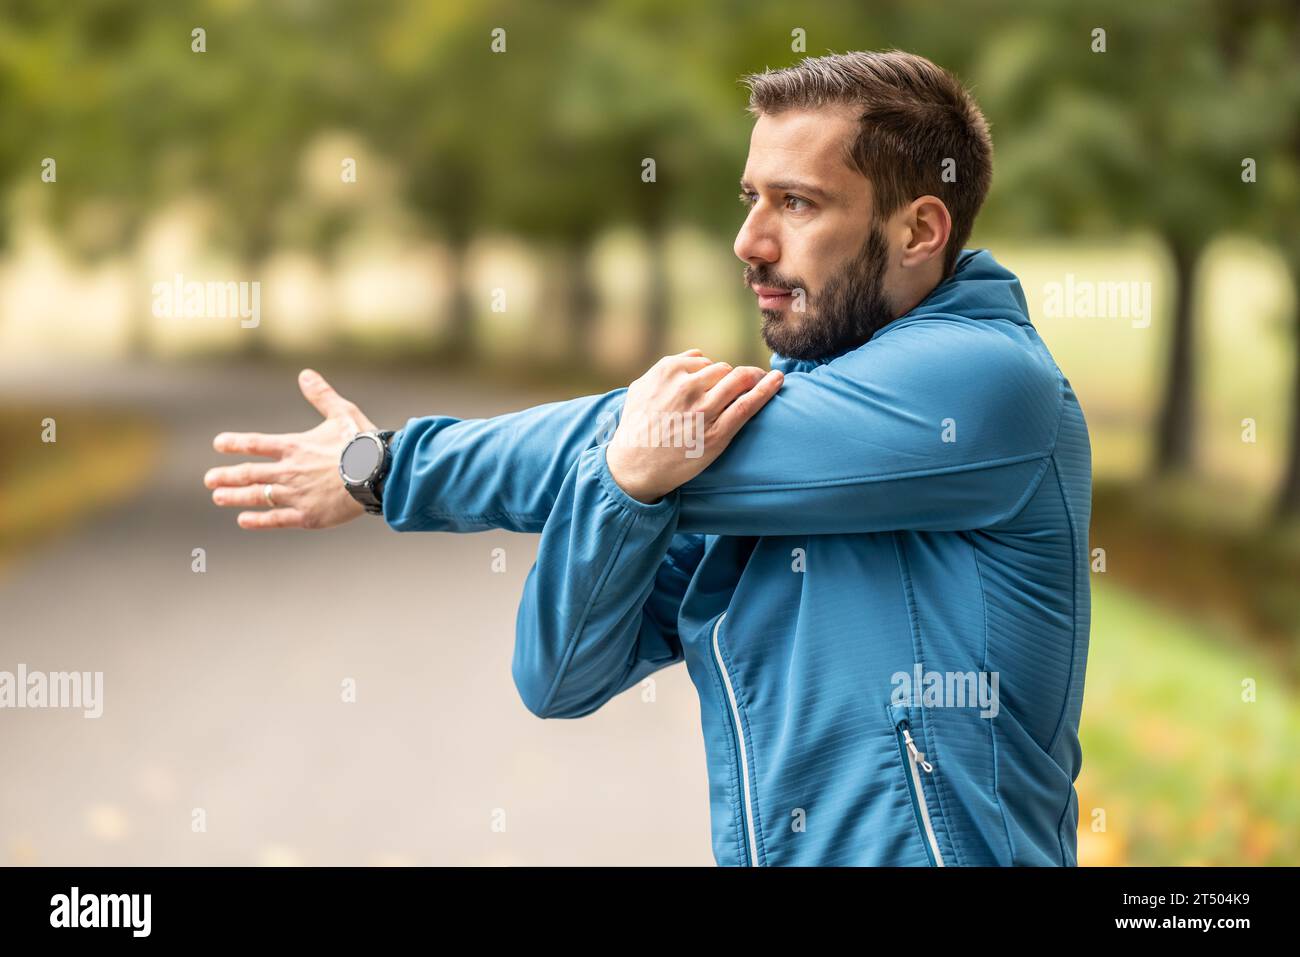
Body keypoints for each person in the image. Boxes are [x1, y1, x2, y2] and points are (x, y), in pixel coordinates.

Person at [205, 50, 1092, 866]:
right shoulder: (738, 458)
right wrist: (624, 488)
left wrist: (391, 465)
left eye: (796, 202)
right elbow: (557, 675)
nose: (748, 241)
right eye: (750, 197)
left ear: (918, 231)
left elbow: (637, 433)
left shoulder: (988, 385)